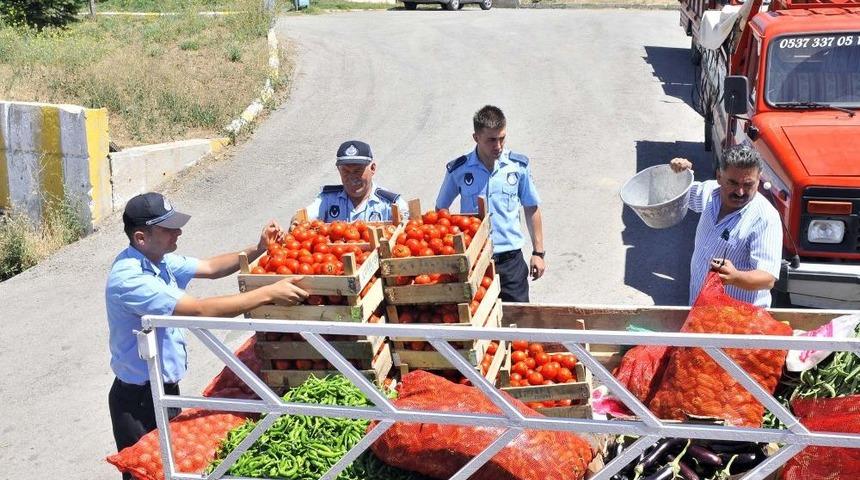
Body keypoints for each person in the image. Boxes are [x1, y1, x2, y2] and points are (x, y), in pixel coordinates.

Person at [105, 192, 307, 478]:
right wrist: (268, 293)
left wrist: (259, 249)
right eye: (168, 228)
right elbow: (199, 311)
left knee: (171, 468)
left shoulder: (157, 259)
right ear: (141, 237)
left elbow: (211, 268)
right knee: (146, 472)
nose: (178, 232)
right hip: (138, 401)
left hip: (163, 389)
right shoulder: (131, 279)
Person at [435, 105, 545, 302]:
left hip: (510, 261)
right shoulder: (459, 170)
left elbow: (531, 207)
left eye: (502, 138)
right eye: (491, 140)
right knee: (480, 323)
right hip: (476, 261)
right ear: (476, 138)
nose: (498, 146)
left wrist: (538, 252)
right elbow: (441, 209)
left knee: (518, 325)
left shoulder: (517, 167)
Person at [669, 144, 783, 307]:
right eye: (733, 183)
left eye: (748, 184)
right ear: (719, 177)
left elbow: (767, 278)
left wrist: (736, 277)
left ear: (759, 180)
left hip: (738, 322)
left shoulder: (765, 218)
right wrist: (679, 172)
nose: (740, 192)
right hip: (699, 309)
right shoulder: (710, 193)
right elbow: (680, 193)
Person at [297, 140, 409, 224]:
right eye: (345, 171)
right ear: (339, 170)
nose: (351, 177)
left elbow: (409, 221)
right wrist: (296, 222)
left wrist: (405, 221)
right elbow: (304, 217)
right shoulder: (327, 199)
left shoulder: (390, 203)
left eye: (358, 171)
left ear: (373, 168)